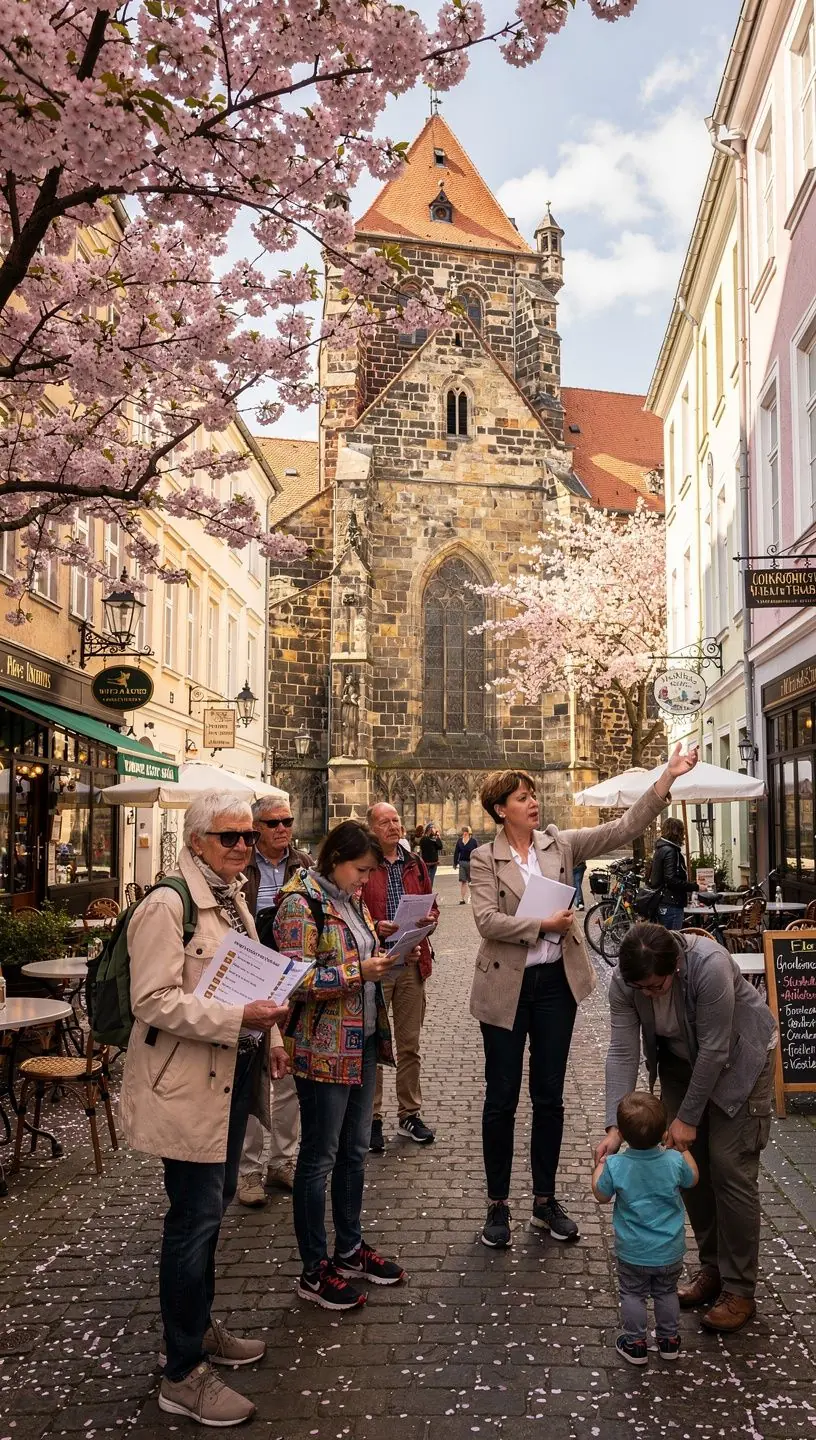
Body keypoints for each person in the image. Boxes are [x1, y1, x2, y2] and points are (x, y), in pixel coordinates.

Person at [470, 742, 698, 1251]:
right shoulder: (485, 859)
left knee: (549, 1095)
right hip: (504, 988)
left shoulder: (560, 844)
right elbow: (486, 920)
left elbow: (621, 830)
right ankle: (497, 1205)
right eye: (522, 797)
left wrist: (665, 781)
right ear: (500, 809)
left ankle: (545, 1201)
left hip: (555, 986)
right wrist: (542, 924)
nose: (533, 803)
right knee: (501, 1098)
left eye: (533, 795)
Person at [119, 793, 290, 1427]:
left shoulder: (232, 896)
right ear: (196, 841)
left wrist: (269, 1037)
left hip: (228, 1079)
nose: (245, 845)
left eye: (248, 836)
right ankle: (182, 1371)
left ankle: (197, 1329)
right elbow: (154, 1001)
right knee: (191, 1222)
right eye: (230, 837)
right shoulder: (168, 904)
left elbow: (251, 978)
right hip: (186, 1087)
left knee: (210, 1216)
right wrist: (238, 1020)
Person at [595, 922, 777, 1334]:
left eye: (656, 987)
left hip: (739, 1060)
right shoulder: (629, 982)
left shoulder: (709, 965)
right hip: (681, 1063)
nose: (648, 994)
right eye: (640, 989)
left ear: (675, 966)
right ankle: (712, 1267)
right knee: (690, 1172)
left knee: (729, 1168)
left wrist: (687, 1119)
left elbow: (714, 1049)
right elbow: (623, 1049)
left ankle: (739, 1288)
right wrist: (614, 1127)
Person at [272, 821, 406, 1310]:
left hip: (363, 1039)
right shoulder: (298, 901)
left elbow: (353, 947)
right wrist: (357, 970)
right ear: (335, 860)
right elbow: (291, 978)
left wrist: (378, 941)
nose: (365, 881)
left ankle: (349, 1249)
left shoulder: (351, 900)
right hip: (323, 1047)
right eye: (361, 870)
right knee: (319, 1157)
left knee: (353, 1151)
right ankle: (313, 1268)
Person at [237, 796, 312, 1205]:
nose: (283, 828)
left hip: (291, 979)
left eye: (287, 821)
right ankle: (248, 1172)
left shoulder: (303, 865)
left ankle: (282, 1161)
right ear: (256, 828)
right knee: (252, 1076)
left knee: (288, 1079)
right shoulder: (242, 864)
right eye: (273, 823)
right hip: (250, 975)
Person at [592, 1091, 698, 1365]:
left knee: (632, 1294)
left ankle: (636, 1342)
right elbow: (693, 1179)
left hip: (633, 1251)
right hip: (669, 1249)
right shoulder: (674, 1161)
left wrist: (600, 1165)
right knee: (666, 1292)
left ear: (623, 1136)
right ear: (663, 1131)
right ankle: (669, 1340)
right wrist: (682, 1150)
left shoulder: (617, 1165)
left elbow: (601, 1195)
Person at [364, 802, 438, 1153]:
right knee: (376, 1046)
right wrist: (376, 927)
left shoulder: (415, 862)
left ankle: (410, 1113)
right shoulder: (364, 864)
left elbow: (431, 903)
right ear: (372, 829)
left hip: (411, 962)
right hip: (377, 965)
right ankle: (372, 1118)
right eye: (385, 822)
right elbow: (352, 909)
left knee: (410, 1045)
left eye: (396, 820)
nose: (393, 826)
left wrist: (429, 917)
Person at [648, 817, 694, 931]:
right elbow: (671, 879)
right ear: (677, 832)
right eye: (682, 832)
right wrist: (695, 886)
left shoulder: (660, 849)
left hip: (661, 901)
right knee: (672, 942)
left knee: (663, 941)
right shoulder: (671, 851)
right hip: (672, 902)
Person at [453, 826, 479, 904]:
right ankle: (462, 899)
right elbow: (456, 852)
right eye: (463, 831)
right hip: (462, 863)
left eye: (465, 831)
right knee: (463, 881)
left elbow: (477, 853)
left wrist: (477, 862)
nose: (464, 833)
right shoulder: (459, 841)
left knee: (472, 882)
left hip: (471, 863)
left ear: (468, 832)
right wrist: (455, 863)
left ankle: (472, 897)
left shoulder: (473, 841)